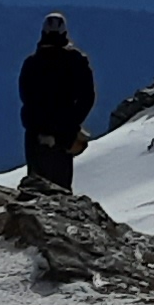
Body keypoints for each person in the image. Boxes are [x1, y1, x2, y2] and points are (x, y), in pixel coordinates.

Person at [17, 12, 96, 191]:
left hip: (35, 135)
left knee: (36, 187)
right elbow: (87, 97)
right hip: (64, 135)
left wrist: (38, 127)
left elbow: (26, 98)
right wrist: (71, 125)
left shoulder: (31, 63)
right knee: (60, 188)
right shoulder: (76, 61)